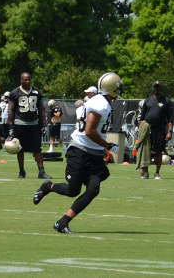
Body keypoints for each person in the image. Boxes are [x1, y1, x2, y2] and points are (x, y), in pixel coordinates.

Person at [33, 72, 124, 234]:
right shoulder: (101, 104)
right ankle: (48, 187)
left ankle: (62, 222)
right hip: (80, 151)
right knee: (72, 190)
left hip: (94, 154)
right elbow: (89, 131)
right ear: (112, 88)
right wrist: (108, 145)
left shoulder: (102, 101)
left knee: (93, 189)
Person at [8, 72, 50, 179]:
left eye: (29, 79)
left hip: (33, 123)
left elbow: (40, 108)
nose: (27, 81)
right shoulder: (15, 92)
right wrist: (11, 126)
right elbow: (11, 109)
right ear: (21, 80)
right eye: (25, 79)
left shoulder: (36, 92)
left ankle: (41, 171)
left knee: (37, 149)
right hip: (20, 123)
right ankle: (21, 171)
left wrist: (43, 124)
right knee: (20, 148)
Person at [141, 80, 173, 180]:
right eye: (155, 87)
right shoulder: (148, 100)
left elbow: (170, 118)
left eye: (158, 87)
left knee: (159, 151)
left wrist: (170, 131)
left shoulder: (166, 100)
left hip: (160, 130)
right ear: (153, 88)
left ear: (161, 88)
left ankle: (157, 173)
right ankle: (146, 172)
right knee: (146, 151)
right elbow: (142, 117)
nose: (157, 89)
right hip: (148, 129)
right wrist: (140, 131)